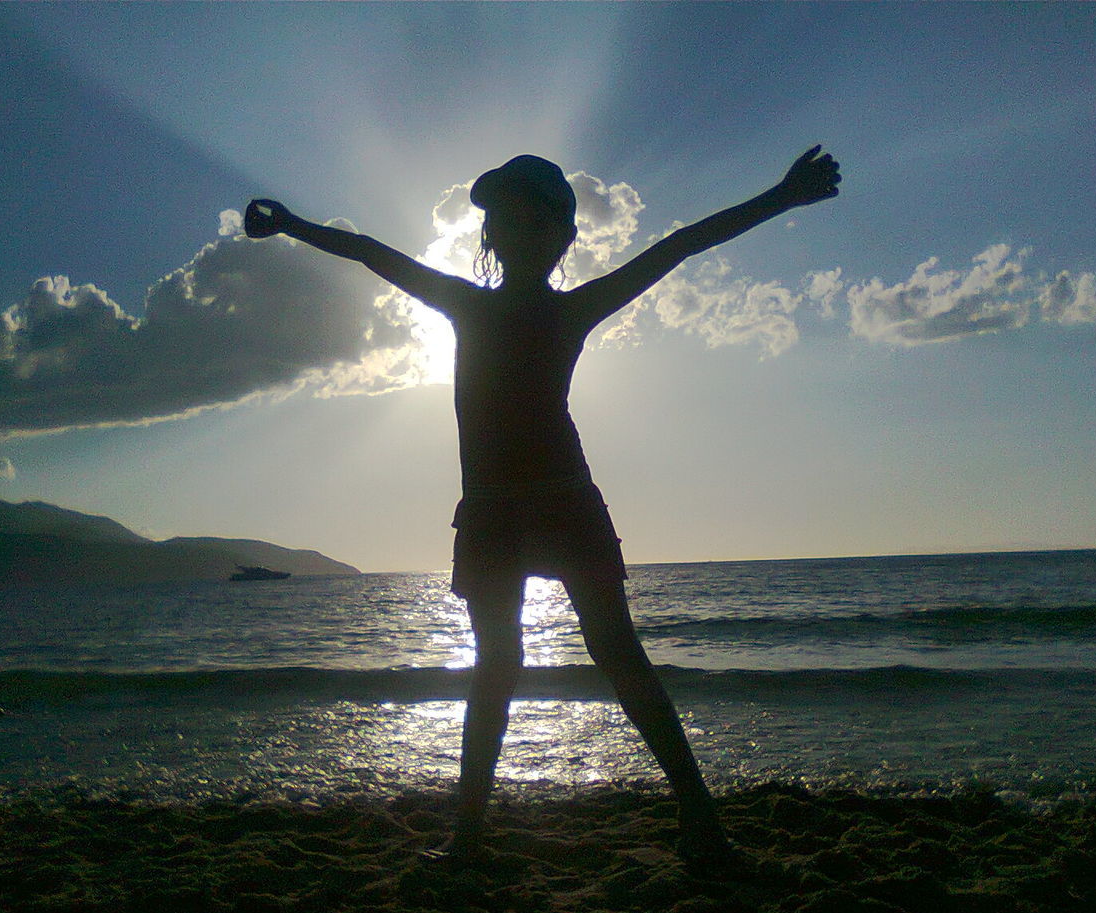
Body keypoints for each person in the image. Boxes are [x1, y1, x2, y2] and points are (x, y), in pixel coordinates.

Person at [245, 145, 840, 865]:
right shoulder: (466, 303)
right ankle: (468, 838)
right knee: (497, 664)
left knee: (617, 654)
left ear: (558, 234)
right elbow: (372, 252)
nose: (507, 230)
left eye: (525, 217)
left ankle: (701, 825)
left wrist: (782, 197)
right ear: (492, 237)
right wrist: (295, 225)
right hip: (493, 508)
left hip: (561, 501)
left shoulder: (567, 308)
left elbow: (681, 245)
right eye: (499, 219)